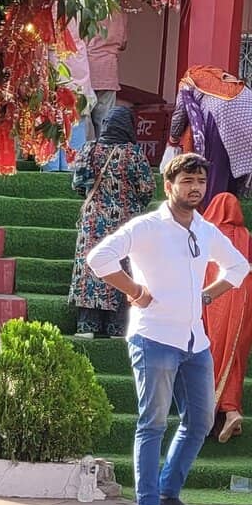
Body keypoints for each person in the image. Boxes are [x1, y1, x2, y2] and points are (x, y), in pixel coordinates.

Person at [86, 152, 251, 505]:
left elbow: (239, 266)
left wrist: (207, 295)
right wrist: (136, 290)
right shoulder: (148, 226)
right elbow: (99, 258)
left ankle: (168, 494)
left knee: (200, 421)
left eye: (200, 182)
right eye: (187, 181)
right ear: (169, 185)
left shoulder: (206, 229)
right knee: (154, 422)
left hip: (196, 342)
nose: (195, 188)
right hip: (154, 337)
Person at [70, 105, 156, 337]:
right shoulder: (134, 154)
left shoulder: (89, 149)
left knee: (91, 268)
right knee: (122, 267)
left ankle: (86, 326)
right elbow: (147, 189)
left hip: (92, 221)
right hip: (125, 223)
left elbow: (78, 184)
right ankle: (117, 327)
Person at [203, 191, 252, 445]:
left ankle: (207, 413)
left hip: (214, 301)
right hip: (244, 304)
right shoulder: (246, 236)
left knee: (212, 354)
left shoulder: (208, 233)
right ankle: (231, 410)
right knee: (234, 358)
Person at [169, 66, 252, 203]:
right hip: (247, 115)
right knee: (233, 173)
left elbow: (180, 114)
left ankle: (211, 215)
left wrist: (172, 140)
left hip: (220, 118)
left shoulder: (188, 81)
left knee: (214, 172)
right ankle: (228, 214)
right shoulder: (224, 80)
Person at [84, 6, 128, 141]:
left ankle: (83, 158)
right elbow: (123, 43)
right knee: (104, 126)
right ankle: (102, 158)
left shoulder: (87, 7)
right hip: (109, 72)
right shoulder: (120, 11)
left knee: (83, 123)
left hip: (87, 71)